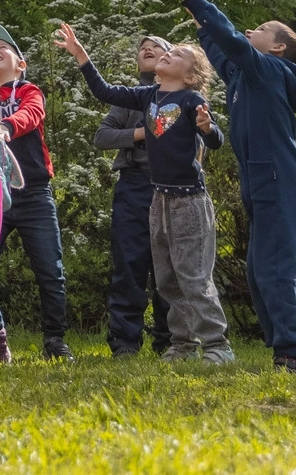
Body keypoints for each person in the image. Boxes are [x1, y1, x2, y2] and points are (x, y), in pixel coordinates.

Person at [159, 0, 296, 374]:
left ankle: (293, 354)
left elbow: (230, 36)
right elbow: (218, 47)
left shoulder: (269, 70)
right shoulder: (246, 76)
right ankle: (282, 349)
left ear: (278, 47)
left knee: (273, 271)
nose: (252, 29)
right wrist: (197, 15)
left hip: (281, 183)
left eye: (262, 29)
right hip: (262, 183)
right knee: (257, 272)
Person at [55, 20, 232, 363]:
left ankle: (217, 345)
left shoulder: (192, 99)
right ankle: (182, 345)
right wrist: (80, 55)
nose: (163, 54)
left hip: (188, 200)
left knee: (192, 276)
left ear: (191, 76)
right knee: (166, 280)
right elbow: (104, 91)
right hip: (157, 199)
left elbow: (215, 141)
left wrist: (208, 128)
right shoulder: (147, 95)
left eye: (174, 53)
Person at [0, 22, 73, 361]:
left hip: (33, 194)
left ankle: (55, 341)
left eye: (2, 47)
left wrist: (5, 126)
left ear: (21, 63)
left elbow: (32, 114)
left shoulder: (29, 90)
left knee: (50, 270)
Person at [97, 35, 177, 357]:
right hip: (133, 186)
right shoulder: (128, 99)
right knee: (129, 265)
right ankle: (125, 342)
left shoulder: (185, 96)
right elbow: (102, 136)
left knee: (171, 267)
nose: (147, 48)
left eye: (156, 46)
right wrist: (142, 134)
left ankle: (171, 341)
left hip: (175, 187)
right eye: (143, 47)